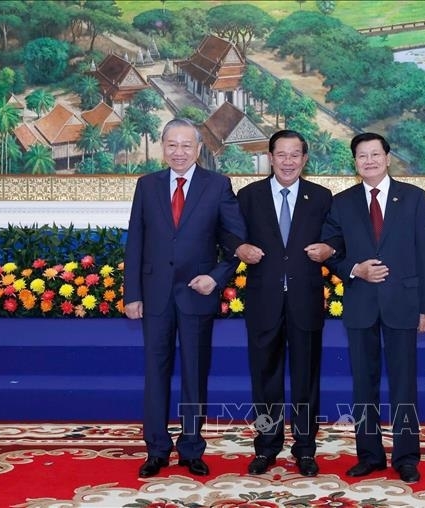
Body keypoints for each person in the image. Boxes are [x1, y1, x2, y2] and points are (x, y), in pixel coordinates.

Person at [124, 118, 246, 478]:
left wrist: (216, 278)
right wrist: (133, 294)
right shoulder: (147, 185)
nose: (179, 152)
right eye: (172, 145)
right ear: (163, 147)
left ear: (198, 149)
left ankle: (192, 448)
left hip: (197, 293)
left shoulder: (218, 185)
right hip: (155, 295)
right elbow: (136, 243)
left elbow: (236, 242)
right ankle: (156, 449)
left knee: (195, 374)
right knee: (155, 373)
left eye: (186, 145)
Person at [321, 132, 425, 483]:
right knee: (363, 384)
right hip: (361, 303)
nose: (369, 161)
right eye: (362, 156)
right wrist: (355, 270)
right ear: (354, 162)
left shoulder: (413, 197)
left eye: (375, 154)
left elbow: (424, 253)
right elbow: (331, 251)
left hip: (403, 302)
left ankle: (406, 457)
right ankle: (369, 455)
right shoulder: (342, 203)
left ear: (387, 157)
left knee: (404, 385)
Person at [229, 130, 337, 477]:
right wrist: (239, 247)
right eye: (281, 155)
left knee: (306, 379)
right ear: (270, 157)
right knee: (265, 380)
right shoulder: (249, 196)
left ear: (304, 159)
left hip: (305, 299)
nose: (288, 162)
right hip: (264, 300)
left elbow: (337, 236)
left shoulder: (321, 197)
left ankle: (305, 449)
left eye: (295, 155)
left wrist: (330, 248)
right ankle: (266, 446)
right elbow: (229, 233)